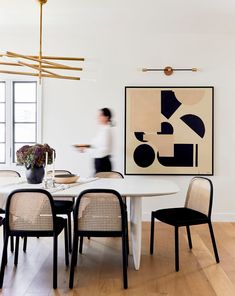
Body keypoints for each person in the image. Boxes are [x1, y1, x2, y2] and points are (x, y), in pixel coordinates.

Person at [76, 108, 113, 174]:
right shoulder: (103, 130)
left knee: (101, 184)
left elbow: (104, 150)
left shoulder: (106, 130)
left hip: (103, 163)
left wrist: (86, 149)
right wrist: (85, 148)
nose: (98, 117)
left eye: (100, 115)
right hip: (100, 162)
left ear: (106, 117)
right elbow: (96, 146)